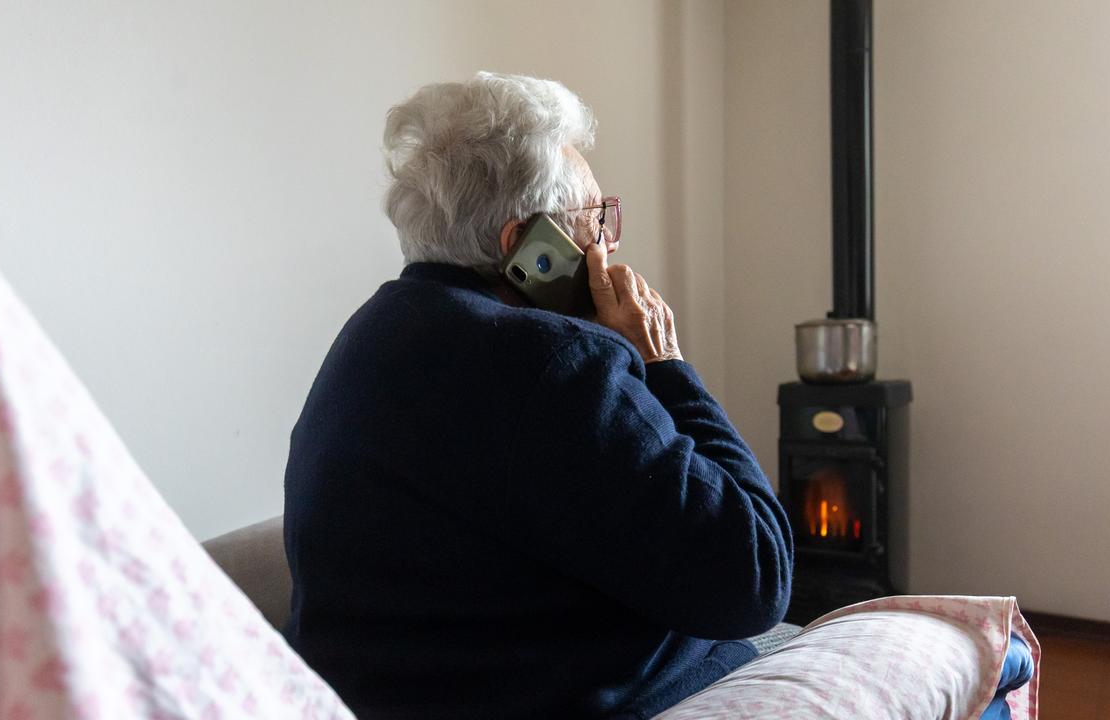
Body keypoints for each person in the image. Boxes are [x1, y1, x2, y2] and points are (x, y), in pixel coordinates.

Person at [282, 71, 794, 720]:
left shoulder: (371, 333)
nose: (610, 243)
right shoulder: (554, 364)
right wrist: (664, 364)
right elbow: (757, 577)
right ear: (528, 248)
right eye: (596, 219)